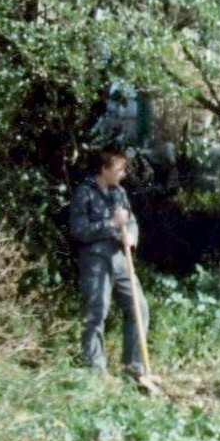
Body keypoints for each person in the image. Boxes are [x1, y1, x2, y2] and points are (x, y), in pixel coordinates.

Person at [69, 147, 149, 379]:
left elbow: (131, 221)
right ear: (104, 169)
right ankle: (95, 370)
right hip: (96, 260)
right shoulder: (84, 193)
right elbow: (79, 230)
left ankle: (133, 366)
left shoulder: (119, 193)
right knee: (96, 313)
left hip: (120, 258)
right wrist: (110, 224)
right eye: (119, 169)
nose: (123, 174)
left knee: (139, 308)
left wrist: (131, 236)